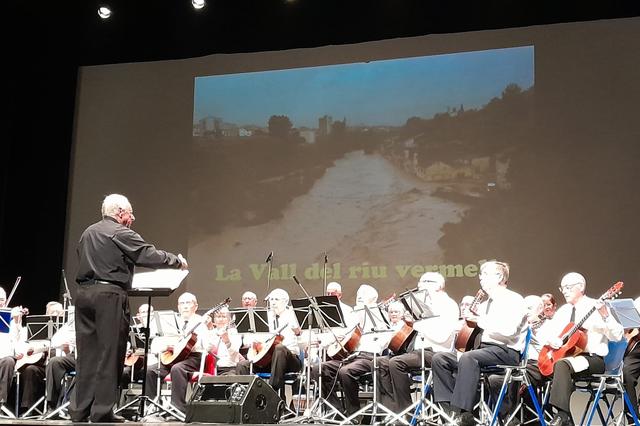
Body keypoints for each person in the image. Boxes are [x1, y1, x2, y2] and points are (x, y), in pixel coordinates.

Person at [71, 193, 187, 423]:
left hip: (84, 295)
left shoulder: (88, 232)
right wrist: (177, 261)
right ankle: (102, 412)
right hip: (109, 295)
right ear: (119, 212)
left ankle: (79, 410)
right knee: (110, 353)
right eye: (130, 213)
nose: (132, 218)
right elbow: (146, 254)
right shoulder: (119, 232)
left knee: (88, 355)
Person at [432, 260, 528, 426]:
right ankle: (449, 412)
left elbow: (509, 330)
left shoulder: (514, 299)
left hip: (506, 351)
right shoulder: (485, 304)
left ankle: (464, 414)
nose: (480, 278)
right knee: (440, 359)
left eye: (484, 274)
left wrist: (481, 320)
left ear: (499, 276)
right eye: (480, 275)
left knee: (470, 358)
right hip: (483, 351)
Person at [536, 272, 623, 426]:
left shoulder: (596, 306)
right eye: (562, 288)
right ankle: (555, 417)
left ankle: (562, 415)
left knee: (561, 365)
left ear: (581, 287)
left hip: (592, 359)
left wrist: (605, 315)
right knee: (542, 368)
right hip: (569, 357)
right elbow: (543, 333)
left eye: (568, 287)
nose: (565, 291)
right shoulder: (564, 310)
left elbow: (617, 335)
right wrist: (552, 340)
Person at [378, 272, 459, 413]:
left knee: (396, 363)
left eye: (425, 281)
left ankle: (406, 412)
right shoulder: (425, 305)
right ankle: (393, 409)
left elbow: (441, 337)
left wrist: (417, 324)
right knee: (381, 363)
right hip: (419, 352)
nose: (420, 285)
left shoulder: (448, 305)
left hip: (437, 353)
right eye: (420, 281)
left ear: (438, 286)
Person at [145, 292, 214, 413]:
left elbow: (208, 346)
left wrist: (192, 341)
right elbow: (155, 345)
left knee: (177, 369)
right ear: (178, 307)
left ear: (195, 306)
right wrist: (167, 345)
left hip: (193, 358)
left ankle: (178, 408)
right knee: (150, 371)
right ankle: (151, 407)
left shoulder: (201, 322)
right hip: (173, 358)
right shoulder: (171, 322)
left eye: (188, 303)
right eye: (182, 303)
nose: (185, 306)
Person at [236, 288, 302, 396]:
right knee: (242, 365)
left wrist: (299, 334)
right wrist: (256, 347)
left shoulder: (293, 316)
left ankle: (273, 393)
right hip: (268, 359)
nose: (273, 302)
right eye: (271, 299)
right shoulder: (264, 317)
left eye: (276, 299)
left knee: (279, 348)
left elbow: (305, 342)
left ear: (285, 301)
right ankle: (249, 399)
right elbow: (253, 340)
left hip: (291, 360)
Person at [0, 287, 28, 412]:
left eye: (2, 300)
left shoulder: (10, 319)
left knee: (9, 362)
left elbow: (18, 341)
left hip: (4, 358)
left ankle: (0, 402)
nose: (1, 303)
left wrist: (17, 322)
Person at [207, 306, 243, 374]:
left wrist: (227, 341)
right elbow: (206, 349)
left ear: (229, 319)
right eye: (218, 317)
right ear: (214, 320)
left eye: (223, 317)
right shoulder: (211, 332)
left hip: (229, 368)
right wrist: (209, 331)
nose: (221, 319)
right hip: (212, 369)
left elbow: (234, 352)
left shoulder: (234, 333)